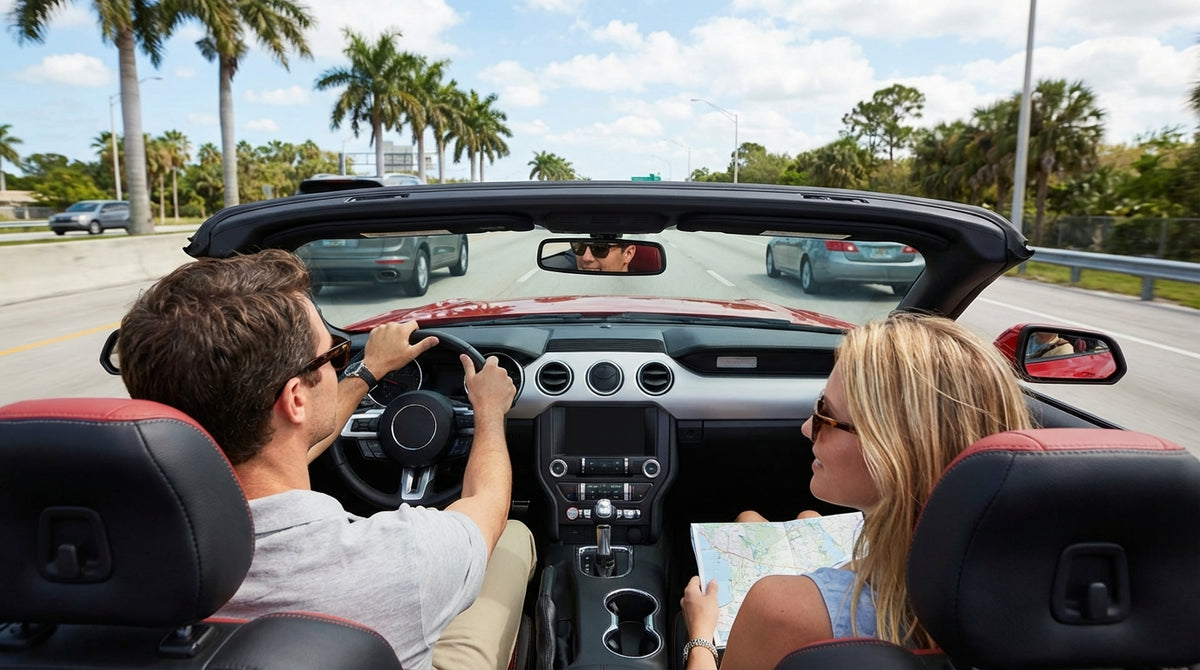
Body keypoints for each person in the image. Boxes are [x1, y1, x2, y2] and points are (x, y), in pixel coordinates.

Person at [116, 249, 535, 670]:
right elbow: (488, 502)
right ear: (295, 399)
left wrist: (368, 370)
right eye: (335, 355)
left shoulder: (109, 549)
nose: (340, 364)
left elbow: (293, 440)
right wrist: (489, 411)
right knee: (513, 534)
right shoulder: (403, 558)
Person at [679, 313, 1032, 669]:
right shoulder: (1037, 588)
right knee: (783, 518)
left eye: (825, 415)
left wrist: (700, 635)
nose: (806, 428)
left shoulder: (779, 611)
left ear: (889, 451)